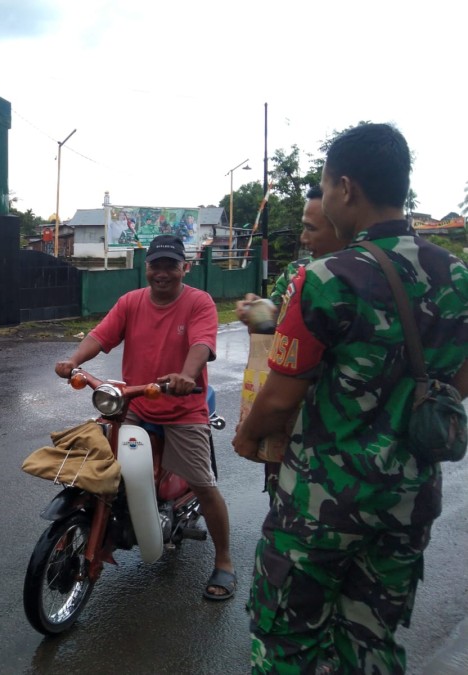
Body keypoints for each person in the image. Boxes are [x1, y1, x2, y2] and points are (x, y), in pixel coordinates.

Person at [233, 123, 468, 674]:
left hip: (323, 504)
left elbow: (279, 399)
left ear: (346, 188)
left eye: (325, 187)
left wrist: (247, 438)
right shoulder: (456, 274)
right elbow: (459, 382)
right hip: (409, 498)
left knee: (287, 636)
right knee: (371, 636)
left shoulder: (328, 278)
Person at [55, 234, 236, 601]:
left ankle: (225, 561)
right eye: (156, 265)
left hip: (183, 409)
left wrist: (187, 375)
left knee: (203, 482)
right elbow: (101, 335)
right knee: (103, 471)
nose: (163, 273)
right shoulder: (131, 302)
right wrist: (74, 361)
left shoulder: (199, 302)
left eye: (171, 265)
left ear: (185, 267)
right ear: (146, 267)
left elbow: (202, 343)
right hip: (136, 405)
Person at [235, 186, 350, 501]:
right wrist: (253, 312)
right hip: (288, 431)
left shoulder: (355, 278)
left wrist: (248, 434)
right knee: (282, 499)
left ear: (343, 225)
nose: (302, 237)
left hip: (332, 437)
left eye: (311, 228)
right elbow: (272, 325)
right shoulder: (296, 274)